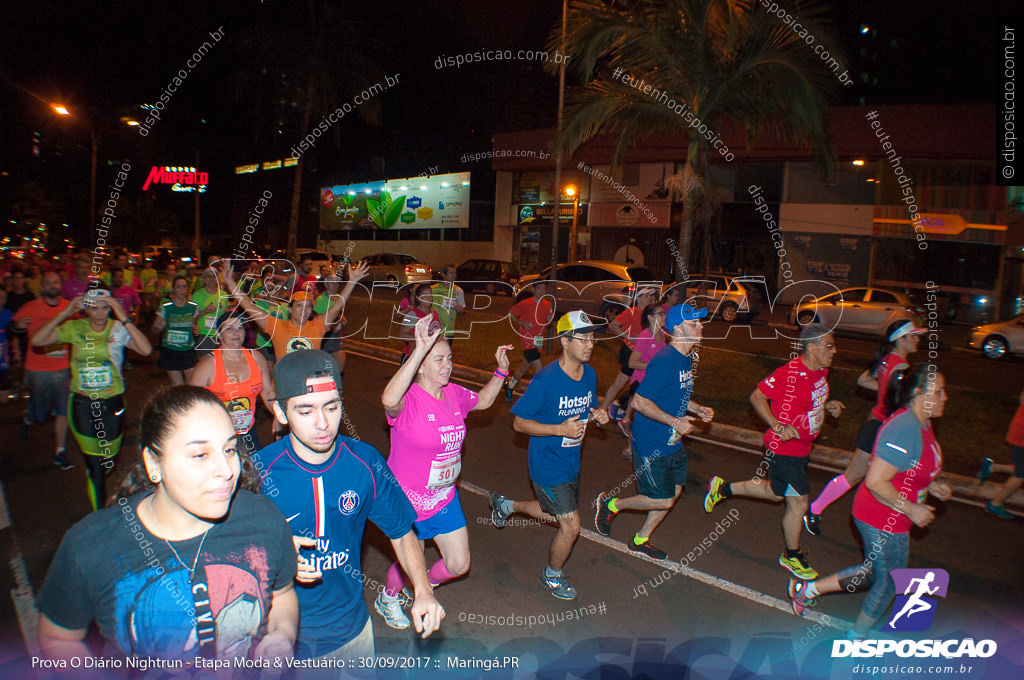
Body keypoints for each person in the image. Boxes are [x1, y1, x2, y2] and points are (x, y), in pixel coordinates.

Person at [36, 385, 299, 666]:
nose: (226, 470)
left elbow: (282, 593)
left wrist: (283, 634)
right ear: (153, 463)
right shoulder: (91, 544)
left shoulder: (264, 518)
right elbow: (58, 638)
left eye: (229, 449)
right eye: (200, 455)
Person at [255, 350, 444, 660]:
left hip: (351, 634)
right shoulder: (258, 473)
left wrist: (423, 591)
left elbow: (401, 531)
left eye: (332, 407)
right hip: (280, 640)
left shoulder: (365, 462)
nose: (323, 423)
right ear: (280, 412)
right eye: (305, 411)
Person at [787, 364, 951, 639]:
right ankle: (856, 639)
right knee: (888, 583)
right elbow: (875, 481)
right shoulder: (904, 428)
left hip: (892, 515)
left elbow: (908, 464)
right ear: (921, 394)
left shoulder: (922, 422)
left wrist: (931, 484)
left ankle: (806, 590)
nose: (945, 397)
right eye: (940, 391)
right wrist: (911, 508)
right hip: (881, 517)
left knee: (874, 573)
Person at [376, 315, 512, 627]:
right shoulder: (408, 400)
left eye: (449, 359)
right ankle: (388, 596)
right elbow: (388, 399)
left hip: (444, 498)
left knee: (459, 563)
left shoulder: (454, 394)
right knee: (411, 559)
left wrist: (501, 370)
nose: (446, 366)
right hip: (407, 501)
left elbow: (485, 401)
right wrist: (419, 351)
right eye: (438, 360)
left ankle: (422, 588)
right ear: (420, 364)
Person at [704, 324, 844, 580]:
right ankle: (791, 556)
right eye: (829, 346)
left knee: (774, 493)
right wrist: (778, 426)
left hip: (802, 448)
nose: (834, 351)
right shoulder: (789, 373)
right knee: (799, 502)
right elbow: (757, 396)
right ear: (811, 348)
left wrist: (828, 406)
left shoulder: (821, 371)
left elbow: (811, 402)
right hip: (784, 450)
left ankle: (722, 489)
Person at [489, 311, 611, 600]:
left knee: (551, 510)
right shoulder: (546, 379)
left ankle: (506, 506)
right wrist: (559, 429)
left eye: (592, 338)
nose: (590, 344)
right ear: (565, 342)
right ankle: (552, 576)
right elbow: (519, 423)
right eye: (583, 339)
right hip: (546, 463)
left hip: (571, 461)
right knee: (570, 525)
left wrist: (598, 414)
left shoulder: (589, 374)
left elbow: (586, 408)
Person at [594, 304, 714, 559]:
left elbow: (674, 394)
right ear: (678, 330)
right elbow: (639, 402)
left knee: (675, 491)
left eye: (700, 322)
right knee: (662, 499)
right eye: (694, 323)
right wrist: (676, 422)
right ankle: (612, 503)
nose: (701, 326)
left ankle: (640, 539)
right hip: (652, 442)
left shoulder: (684, 358)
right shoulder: (665, 360)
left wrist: (697, 407)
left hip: (672, 441)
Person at [31, 288, 153, 510]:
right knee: (96, 466)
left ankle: (97, 470)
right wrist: (65, 312)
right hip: (82, 404)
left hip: (112, 402)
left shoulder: (118, 329)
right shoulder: (76, 328)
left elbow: (146, 349)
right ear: (85, 309)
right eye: (94, 308)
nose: (99, 314)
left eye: (105, 307)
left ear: (111, 307)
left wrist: (123, 316)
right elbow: (38, 340)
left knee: (108, 461)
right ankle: (101, 516)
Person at [804, 321, 924, 535]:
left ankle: (820, 511)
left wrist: (884, 390)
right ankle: (816, 510)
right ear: (900, 339)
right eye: (913, 336)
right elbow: (902, 405)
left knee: (870, 478)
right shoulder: (903, 369)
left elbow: (863, 380)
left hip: (875, 426)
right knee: (865, 477)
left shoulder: (888, 361)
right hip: (884, 431)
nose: (917, 340)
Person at [224, 260, 368, 361]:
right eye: (299, 305)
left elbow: (336, 306)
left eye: (308, 306)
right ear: (290, 309)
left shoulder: (318, 326)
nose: (304, 310)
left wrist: (352, 281)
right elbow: (249, 306)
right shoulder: (277, 326)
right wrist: (230, 283)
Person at [190, 311, 277, 455]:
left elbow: (268, 391)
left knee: (255, 469)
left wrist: (278, 415)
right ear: (219, 334)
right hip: (217, 434)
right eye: (229, 328)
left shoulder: (256, 357)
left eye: (240, 327)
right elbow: (191, 403)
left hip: (248, 431)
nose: (236, 332)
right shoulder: (207, 364)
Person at [12, 272, 72, 467]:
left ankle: (60, 452)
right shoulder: (31, 307)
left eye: (55, 282)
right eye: (48, 282)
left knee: (64, 410)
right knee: (41, 414)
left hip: (62, 368)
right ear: (42, 286)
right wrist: (18, 326)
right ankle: (29, 415)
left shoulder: (68, 307)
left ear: (60, 284)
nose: (52, 285)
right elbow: (14, 326)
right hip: (37, 369)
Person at [615, 303, 669, 454]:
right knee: (643, 420)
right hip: (641, 384)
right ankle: (631, 447)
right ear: (651, 318)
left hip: (654, 383)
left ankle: (636, 447)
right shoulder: (645, 335)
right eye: (661, 314)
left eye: (664, 314)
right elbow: (632, 362)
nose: (664, 316)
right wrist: (653, 365)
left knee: (650, 420)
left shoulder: (662, 335)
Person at [601, 287, 660, 419]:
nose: (650, 298)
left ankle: (622, 410)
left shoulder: (649, 315)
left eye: (651, 296)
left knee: (638, 386)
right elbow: (613, 325)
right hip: (629, 352)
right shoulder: (632, 312)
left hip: (641, 355)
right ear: (638, 298)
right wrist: (629, 337)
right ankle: (604, 410)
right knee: (620, 384)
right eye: (646, 296)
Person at [978, 386, 1024, 518]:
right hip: (1021, 435)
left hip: (1019, 430)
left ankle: (991, 467)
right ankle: (995, 503)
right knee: (1020, 474)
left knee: (1021, 468)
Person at [504, 281, 553, 401]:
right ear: (533, 289)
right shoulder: (525, 304)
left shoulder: (547, 304)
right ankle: (542, 398)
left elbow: (550, 319)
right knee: (539, 370)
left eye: (544, 289)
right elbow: (511, 314)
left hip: (539, 340)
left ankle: (510, 386)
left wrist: (549, 319)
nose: (542, 291)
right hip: (527, 339)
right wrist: (522, 323)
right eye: (539, 289)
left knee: (524, 368)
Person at [153, 275, 199, 385]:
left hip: (188, 350)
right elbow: (154, 330)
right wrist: (159, 327)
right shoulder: (166, 306)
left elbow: (193, 326)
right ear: (173, 289)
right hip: (170, 351)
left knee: (191, 383)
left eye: (184, 286)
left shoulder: (193, 307)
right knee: (178, 385)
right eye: (179, 287)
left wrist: (195, 330)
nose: (182, 290)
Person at [397, 283, 441, 362]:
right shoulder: (413, 314)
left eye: (430, 294)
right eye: (425, 294)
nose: (429, 297)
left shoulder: (435, 314)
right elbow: (402, 334)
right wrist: (423, 339)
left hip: (429, 359)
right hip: (413, 358)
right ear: (418, 298)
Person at [314, 273, 348, 372]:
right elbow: (318, 319)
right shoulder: (320, 300)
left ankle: (339, 385)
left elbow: (340, 315)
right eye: (332, 282)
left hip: (335, 335)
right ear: (326, 284)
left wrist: (342, 319)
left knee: (341, 360)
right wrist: (336, 319)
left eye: (337, 282)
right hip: (324, 336)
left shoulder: (339, 298)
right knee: (323, 365)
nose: (336, 284)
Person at [191, 268, 229, 357]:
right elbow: (191, 317)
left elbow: (226, 315)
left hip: (221, 336)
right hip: (205, 335)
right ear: (204, 279)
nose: (211, 278)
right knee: (206, 364)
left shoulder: (223, 294)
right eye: (208, 276)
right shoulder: (197, 295)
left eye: (214, 276)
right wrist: (204, 311)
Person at [430, 264, 466, 345]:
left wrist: (461, 310)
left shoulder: (458, 291)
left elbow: (462, 312)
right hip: (434, 329)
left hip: (449, 330)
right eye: (451, 273)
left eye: (455, 273)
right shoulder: (433, 289)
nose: (454, 275)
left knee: (446, 354)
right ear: (443, 274)